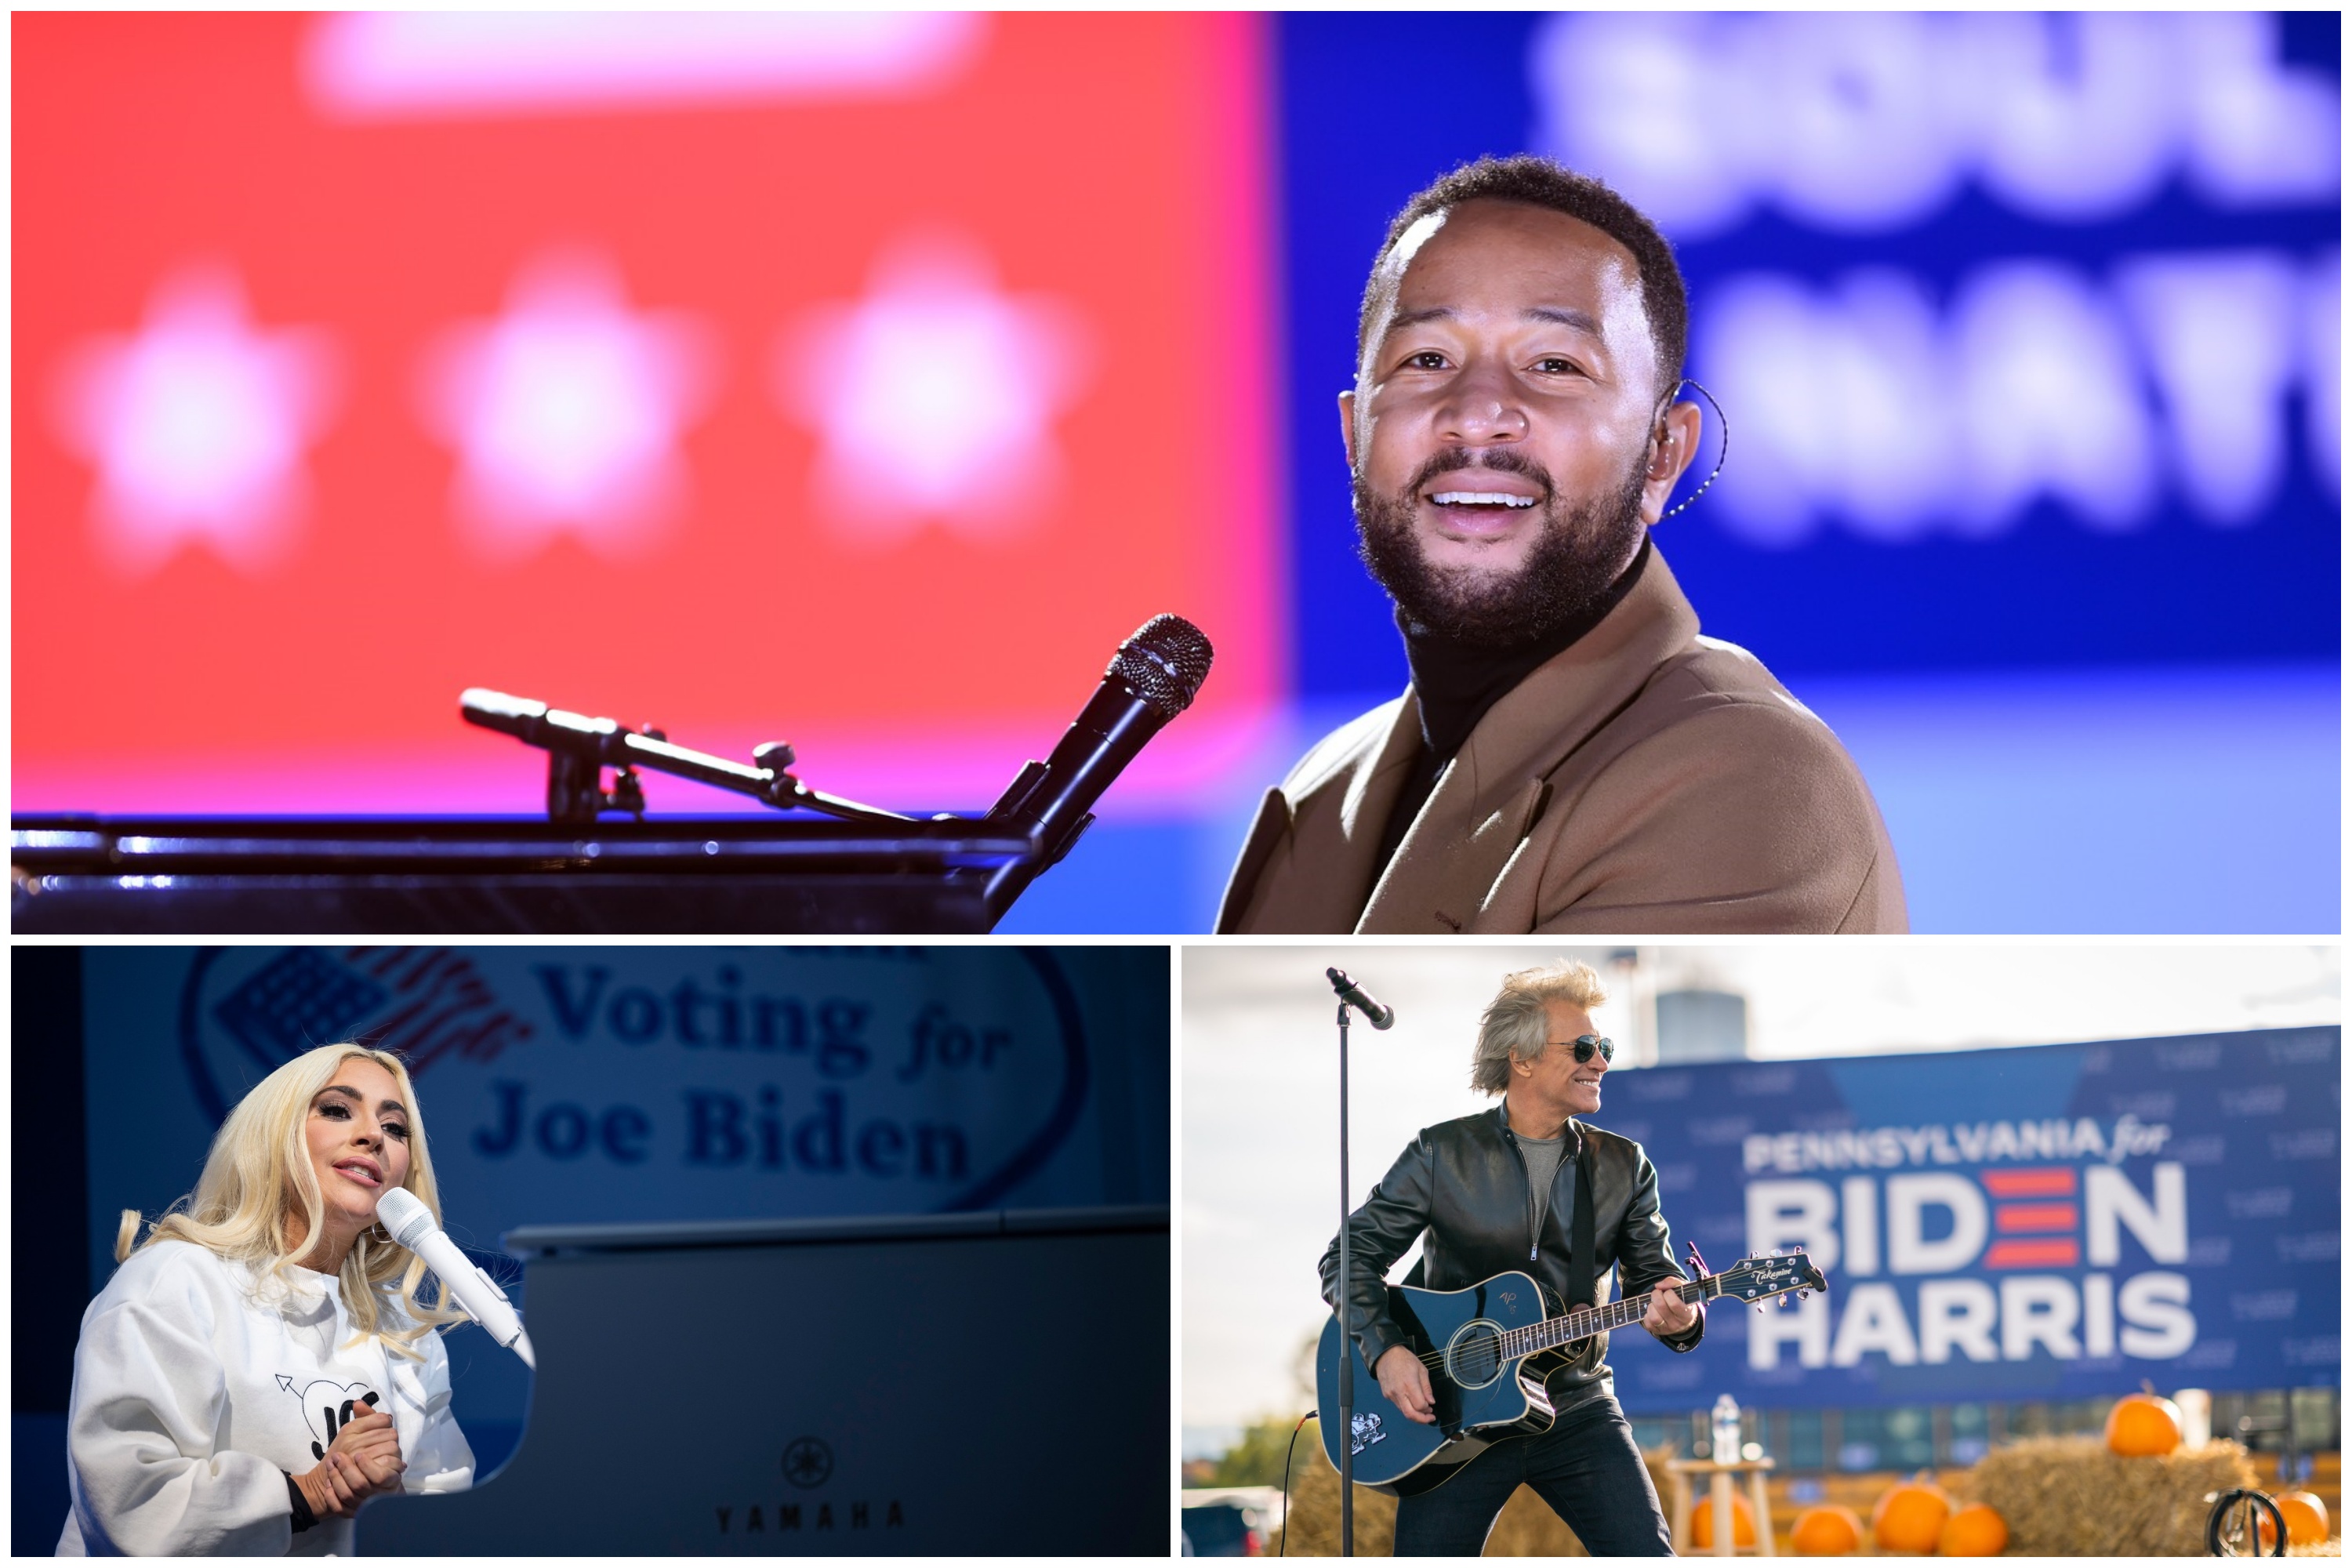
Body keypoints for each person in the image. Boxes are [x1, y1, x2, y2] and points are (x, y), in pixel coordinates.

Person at [1220, 154, 1906, 935]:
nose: (1477, 413)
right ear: (1355, 435)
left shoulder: (1748, 780)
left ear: (1661, 457)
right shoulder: (1319, 796)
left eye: (1554, 364)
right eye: (1427, 360)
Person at [1319, 961, 1699, 1555]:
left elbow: (1655, 1278)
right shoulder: (1441, 1153)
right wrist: (1387, 1351)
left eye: (1605, 1046)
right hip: (1452, 1417)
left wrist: (1685, 1316)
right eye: (1583, 1047)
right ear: (1521, 1060)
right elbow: (1348, 1256)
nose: (1601, 1061)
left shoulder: (1624, 1165)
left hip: (1577, 1405)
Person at [58, 1044, 476, 1555]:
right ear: (274, 1136)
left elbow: (450, 1521)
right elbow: (129, 1495)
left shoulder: (408, 1334)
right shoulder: (176, 1279)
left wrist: (387, 1503)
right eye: (338, 1110)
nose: (373, 1137)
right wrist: (309, 1492)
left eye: (395, 1129)